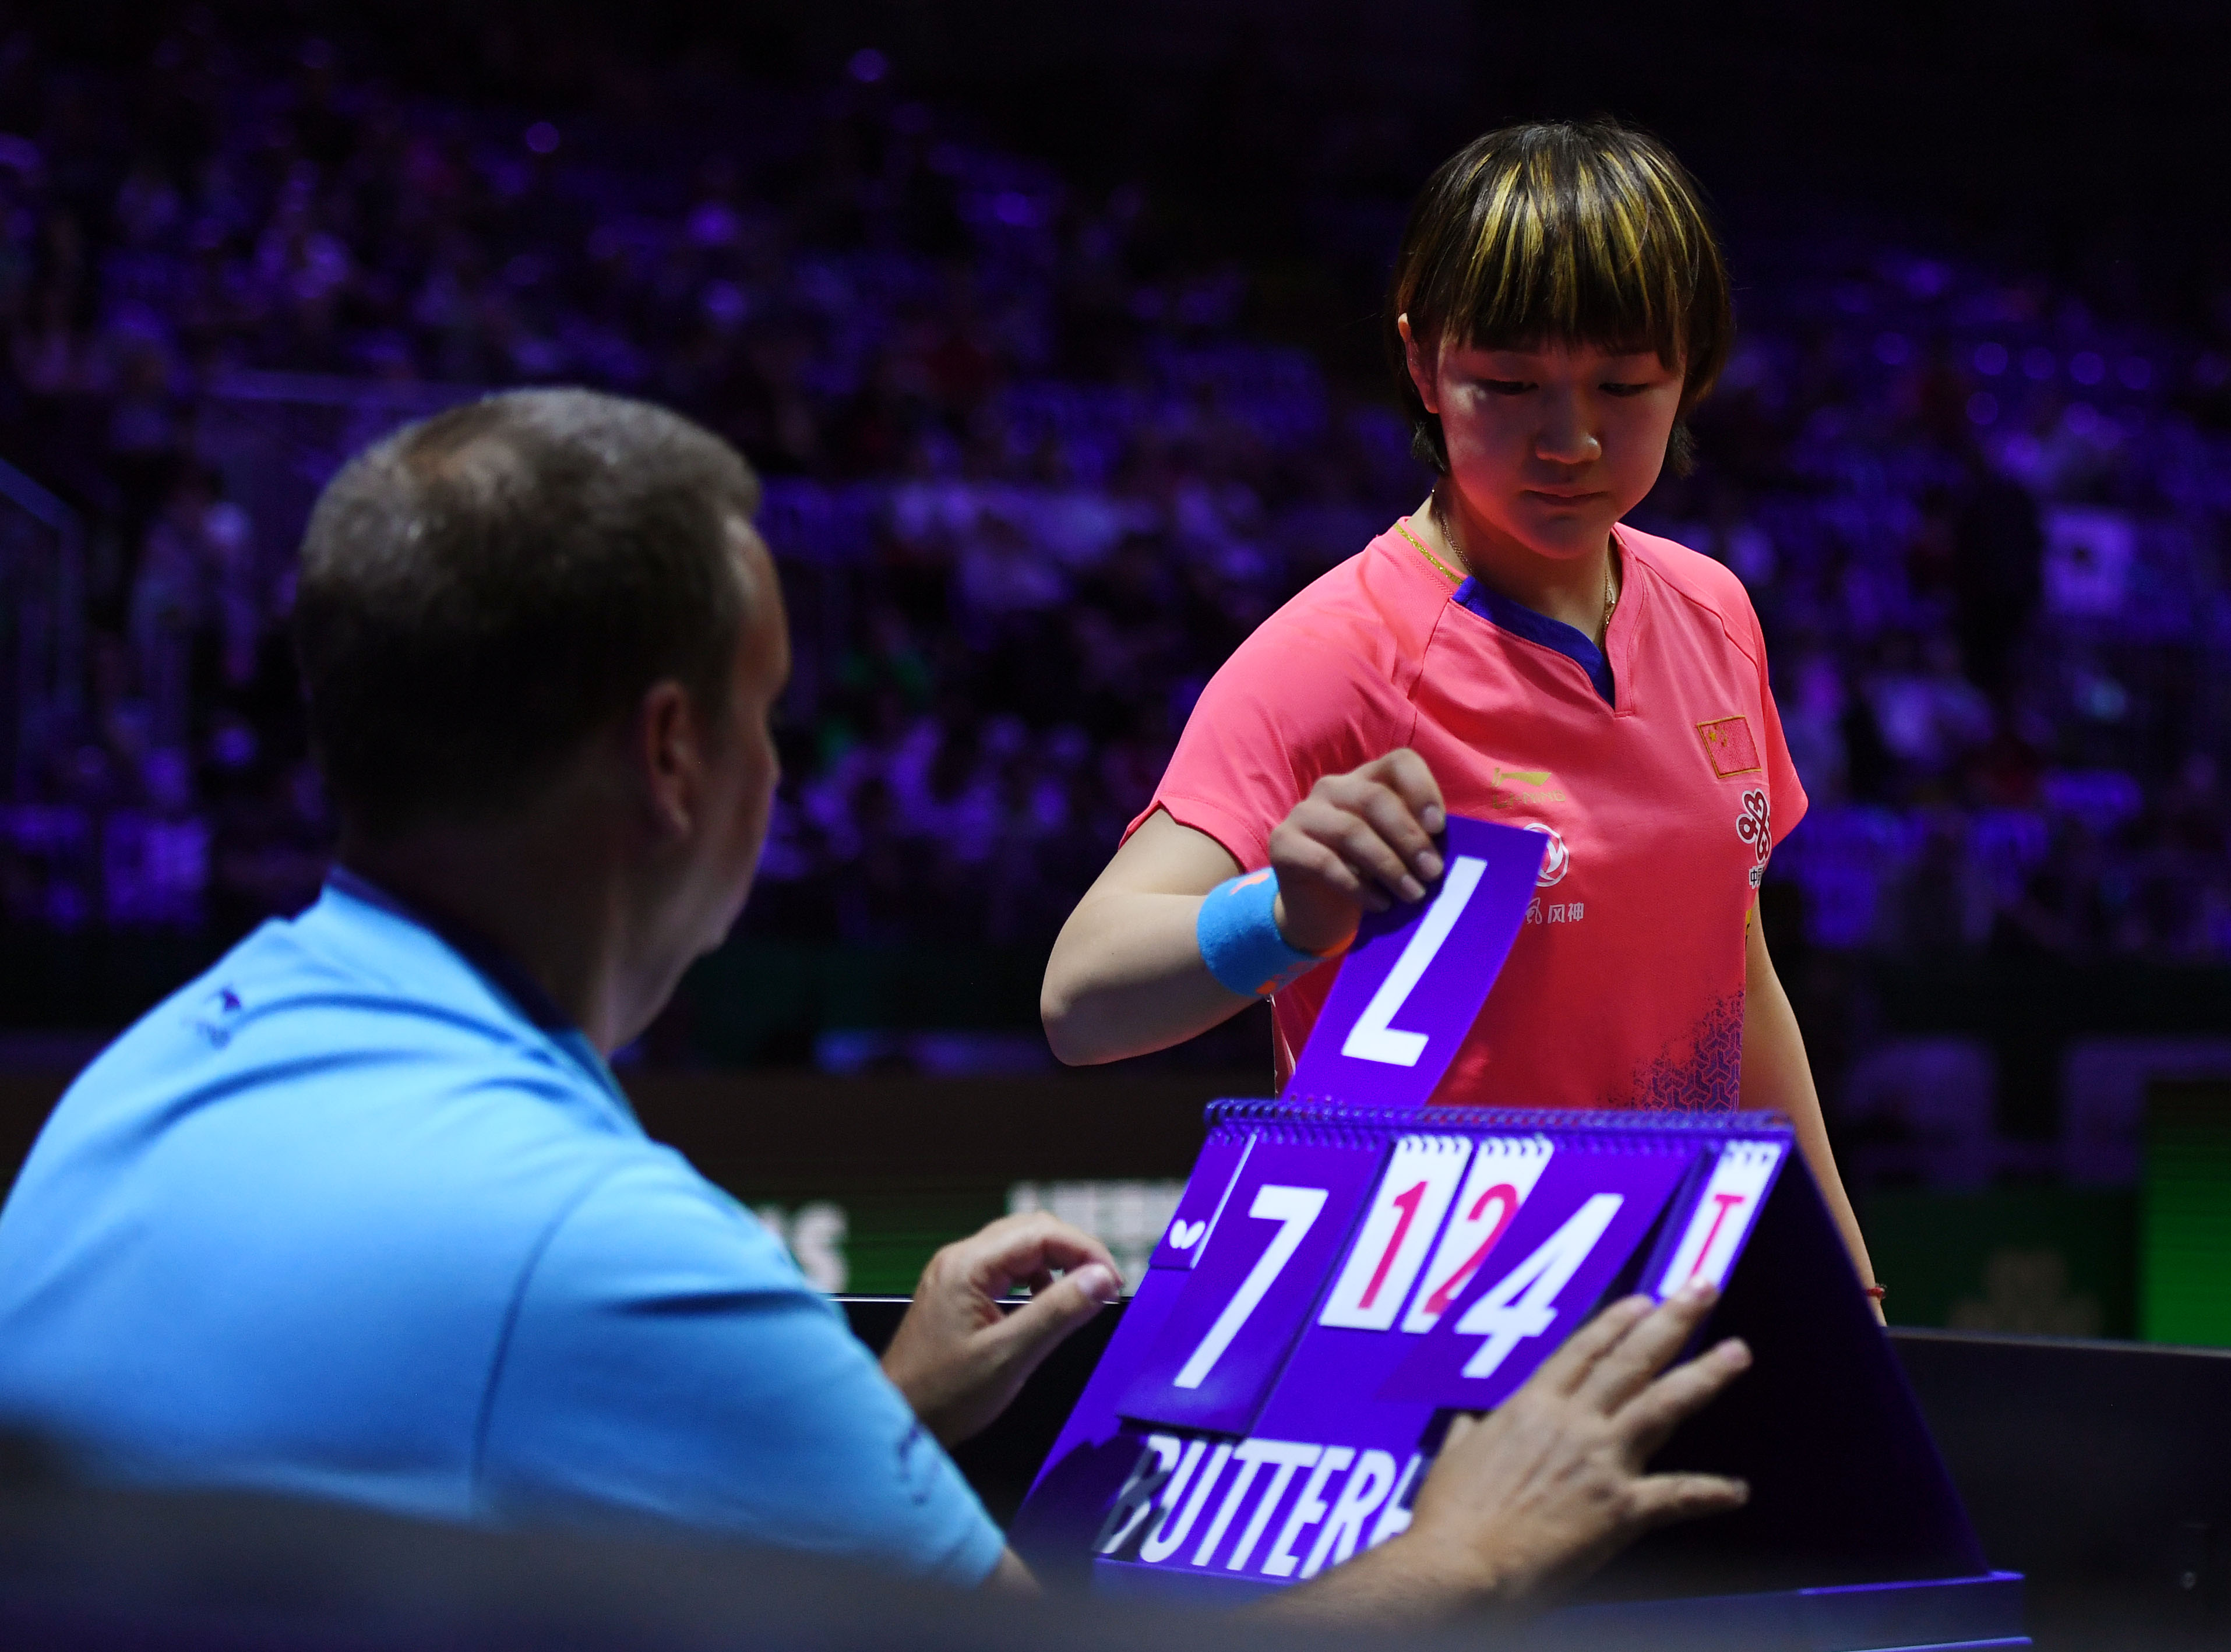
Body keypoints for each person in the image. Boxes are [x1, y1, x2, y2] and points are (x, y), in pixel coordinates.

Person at [0, 389, 1750, 1621]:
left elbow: (413, 1469)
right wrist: (1474, 1547)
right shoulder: (603, 1254)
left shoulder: (140, 1082)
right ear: (675, 757)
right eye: (770, 713)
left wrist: (867, 1423)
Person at [1041, 121, 1881, 1304]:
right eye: (1509, 383)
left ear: (1691, 367)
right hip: (1410, 1332)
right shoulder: (1336, 659)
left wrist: (1846, 1289)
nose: (1569, 439)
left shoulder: (1713, 612)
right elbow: (1082, 999)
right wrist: (1284, 915)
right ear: (1424, 364)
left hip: (1663, 1313)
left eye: (1622, 384)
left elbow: (1731, 971)